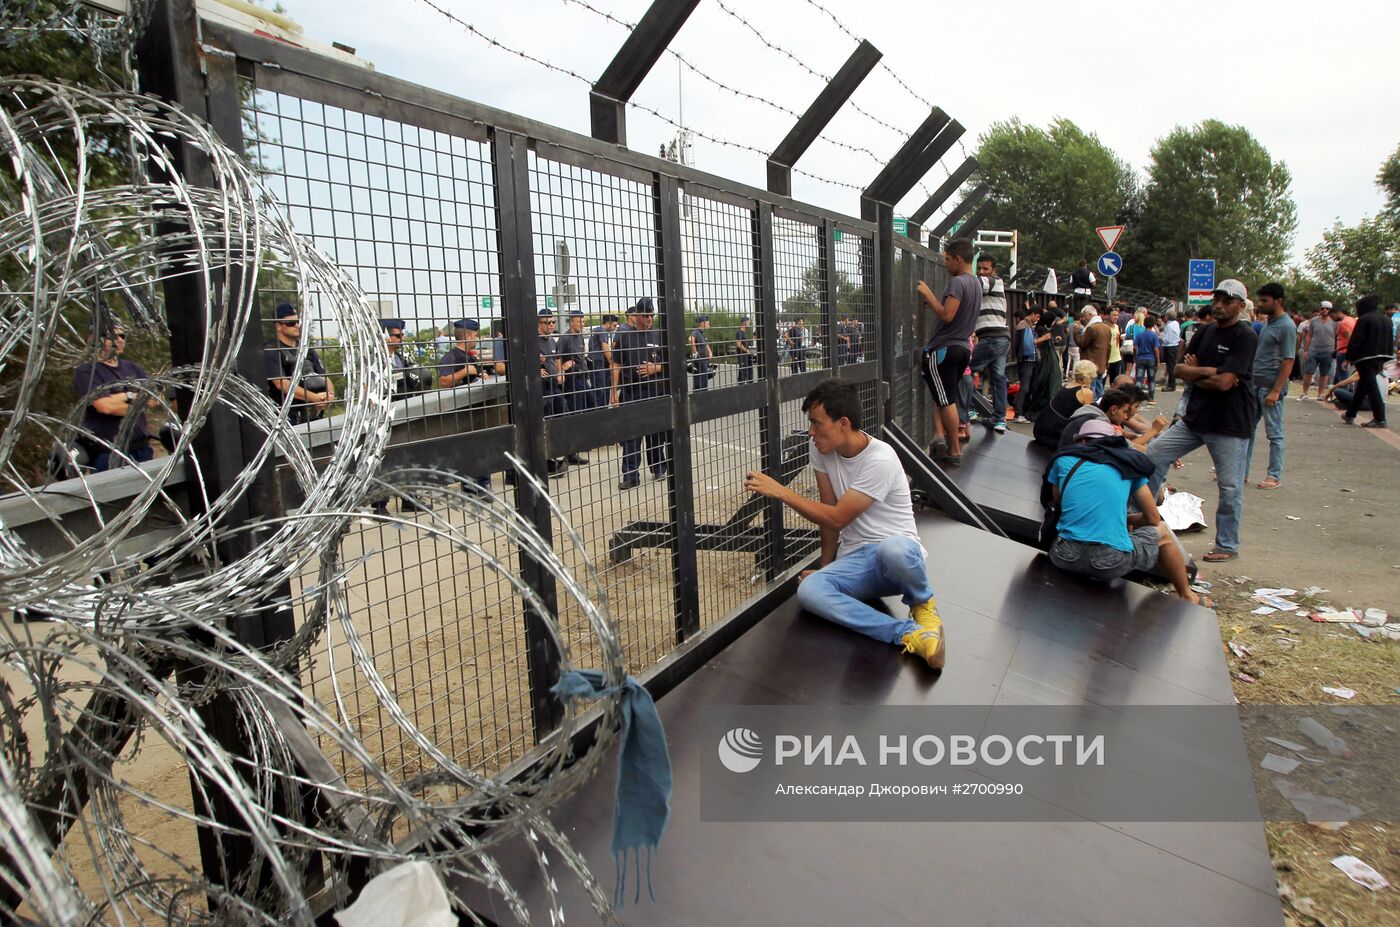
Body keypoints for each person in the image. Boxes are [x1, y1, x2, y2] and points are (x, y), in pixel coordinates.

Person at [743, 379, 946, 669]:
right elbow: (827, 512)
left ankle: (923, 604)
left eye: (817, 423)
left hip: (897, 560)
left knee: (894, 550)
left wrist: (782, 492)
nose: (811, 432)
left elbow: (838, 516)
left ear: (843, 423)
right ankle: (909, 635)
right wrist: (827, 567)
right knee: (810, 590)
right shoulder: (821, 449)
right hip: (857, 562)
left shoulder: (881, 459)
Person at [1145, 279, 1259, 562]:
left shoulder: (1245, 336)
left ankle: (1227, 545)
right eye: (1217, 299)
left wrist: (1203, 373)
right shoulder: (1204, 332)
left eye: (1227, 300)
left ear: (1240, 306)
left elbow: (1225, 383)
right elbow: (1180, 370)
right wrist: (1211, 372)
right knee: (1153, 454)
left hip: (1230, 424)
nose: (1219, 305)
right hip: (1196, 419)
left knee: (1229, 486)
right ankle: (1141, 519)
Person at [1043, 419, 1203, 605]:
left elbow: (1059, 502)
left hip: (1063, 556)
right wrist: (1125, 519)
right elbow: (1152, 518)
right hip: (1110, 563)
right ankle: (1187, 595)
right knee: (1163, 532)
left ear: (1082, 441)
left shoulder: (1063, 460)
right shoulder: (1128, 465)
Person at [916, 237, 981, 466]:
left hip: (945, 348)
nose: (945, 264)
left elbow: (947, 315)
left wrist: (929, 296)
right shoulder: (975, 284)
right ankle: (942, 440)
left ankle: (953, 450)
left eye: (947, 259)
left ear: (957, 258)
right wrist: (935, 304)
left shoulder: (958, 282)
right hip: (962, 347)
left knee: (946, 401)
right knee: (944, 396)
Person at [73, 319, 158, 472]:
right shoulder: (87, 372)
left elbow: (153, 400)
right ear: (94, 339)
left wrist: (123, 397)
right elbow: (105, 406)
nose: (119, 340)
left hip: (141, 449)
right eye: (112, 336)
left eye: (122, 336)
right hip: (108, 454)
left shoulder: (133, 368)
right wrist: (136, 397)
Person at [612, 297, 669, 488]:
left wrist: (656, 368)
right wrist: (613, 392)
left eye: (652, 315)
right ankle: (630, 475)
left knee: (655, 433)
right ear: (636, 316)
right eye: (645, 315)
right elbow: (616, 364)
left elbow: (672, 363)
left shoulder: (660, 335)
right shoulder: (625, 336)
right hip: (632, 393)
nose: (650, 319)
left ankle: (659, 467)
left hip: (654, 392)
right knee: (631, 435)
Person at [1245, 282, 1296, 490]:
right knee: (1246, 430)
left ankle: (1274, 475)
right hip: (1256, 384)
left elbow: (1288, 360)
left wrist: (1276, 390)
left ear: (1278, 301)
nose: (1261, 304)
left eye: (1265, 301)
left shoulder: (1286, 326)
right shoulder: (1268, 324)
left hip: (1270, 387)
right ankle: (1242, 472)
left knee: (1274, 433)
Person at [264, 303, 334, 424]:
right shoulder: (272, 351)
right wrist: (316, 398)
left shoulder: (307, 350)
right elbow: (282, 384)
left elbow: (324, 377)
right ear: (278, 326)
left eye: (298, 322)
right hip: (286, 418)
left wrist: (329, 395)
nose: (296, 326)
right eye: (290, 323)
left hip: (313, 416)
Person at [969, 253, 1011, 432]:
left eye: (985, 269)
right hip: (1001, 338)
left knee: (966, 370)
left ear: (994, 271)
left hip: (991, 337)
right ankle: (999, 418)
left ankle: (968, 409)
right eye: (979, 268)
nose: (981, 272)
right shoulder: (984, 291)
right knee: (998, 377)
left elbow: (973, 283)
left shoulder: (995, 282)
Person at [1339, 295, 1391, 428]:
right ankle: (1351, 413)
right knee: (1363, 385)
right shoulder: (1385, 320)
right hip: (1382, 356)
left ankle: (1380, 418)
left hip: (1366, 357)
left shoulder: (1364, 319)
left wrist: (1348, 358)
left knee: (1371, 387)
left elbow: (1356, 340)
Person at [1033, 359, 1098, 447]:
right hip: (1054, 436)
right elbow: (1090, 417)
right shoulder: (1085, 392)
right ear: (1090, 376)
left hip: (1041, 429)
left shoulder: (1068, 385)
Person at [1299, 301, 1338, 400]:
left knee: (1324, 373)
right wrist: (1306, 350)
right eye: (1323, 308)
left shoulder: (1334, 322)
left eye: (1327, 309)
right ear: (1319, 309)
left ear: (1330, 310)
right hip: (1314, 349)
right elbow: (1309, 336)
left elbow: (1337, 337)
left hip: (1328, 350)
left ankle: (1320, 394)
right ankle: (1305, 393)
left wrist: (1336, 350)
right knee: (1308, 372)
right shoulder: (1314, 321)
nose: (1325, 310)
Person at [381, 318, 426, 400]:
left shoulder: (399, 358)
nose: (403, 339)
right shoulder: (377, 360)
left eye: (402, 335)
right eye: (398, 336)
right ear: (386, 337)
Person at [556, 309, 591, 412]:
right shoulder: (565, 338)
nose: (582, 324)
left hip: (584, 377)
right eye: (579, 322)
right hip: (573, 378)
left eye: (583, 322)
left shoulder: (580, 337)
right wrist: (561, 370)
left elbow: (582, 353)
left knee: (591, 404)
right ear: (571, 322)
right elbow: (557, 357)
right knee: (576, 408)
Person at [1075, 304, 1112, 399]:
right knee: (1099, 387)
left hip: (1091, 364)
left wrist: (1076, 332)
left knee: (1091, 388)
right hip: (1101, 363)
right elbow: (1109, 347)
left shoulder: (1092, 328)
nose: (1083, 318)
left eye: (1084, 315)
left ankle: (1094, 405)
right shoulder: (1106, 328)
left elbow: (1082, 343)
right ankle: (1102, 405)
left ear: (1090, 315)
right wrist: (1106, 362)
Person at [1132, 315, 1161, 400]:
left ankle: (1137, 397)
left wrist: (1135, 356)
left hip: (1140, 359)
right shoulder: (1154, 335)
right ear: (1153, 325)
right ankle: (1151, 397)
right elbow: (1156, 349)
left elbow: (1135, 347)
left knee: (1139, 379)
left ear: (1144, 324)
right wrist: (1158, 360)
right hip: (1151, 359)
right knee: (1151, 379)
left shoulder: (1140, 335)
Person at [688, 314, 715, 390]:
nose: (709, 326)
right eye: (707, 323)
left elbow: (705, 344)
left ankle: (704, 394)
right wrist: (695, 352)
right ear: (702, 323)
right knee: (699, 381)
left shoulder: (703, 333)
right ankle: (698, 396)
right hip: (700, 359)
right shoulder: (696, 332)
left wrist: (710, 352)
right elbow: (690, 339)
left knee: (704, 380)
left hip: (704, 359)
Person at [1160, 308, 1182, 391]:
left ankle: (1171, 384)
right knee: (1171, 365)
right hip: (1175, 345)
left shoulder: (1169, 326)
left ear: (1168, 316)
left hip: (1170, 346)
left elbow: (1167, 339)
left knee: (1170, 366)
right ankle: (1171, 383)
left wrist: (1161, 338)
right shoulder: (1176, 323)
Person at [735, 316, 756, 383]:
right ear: (744, 323)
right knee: (743, 371)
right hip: (742, 355)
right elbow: (738, 344)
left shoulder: (745, 333)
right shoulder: (739, 333)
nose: (749, 324)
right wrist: (746, 350)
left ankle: (748, 383)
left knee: (748, 371)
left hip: (747, 355)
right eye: (748, 322)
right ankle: (741, 384)